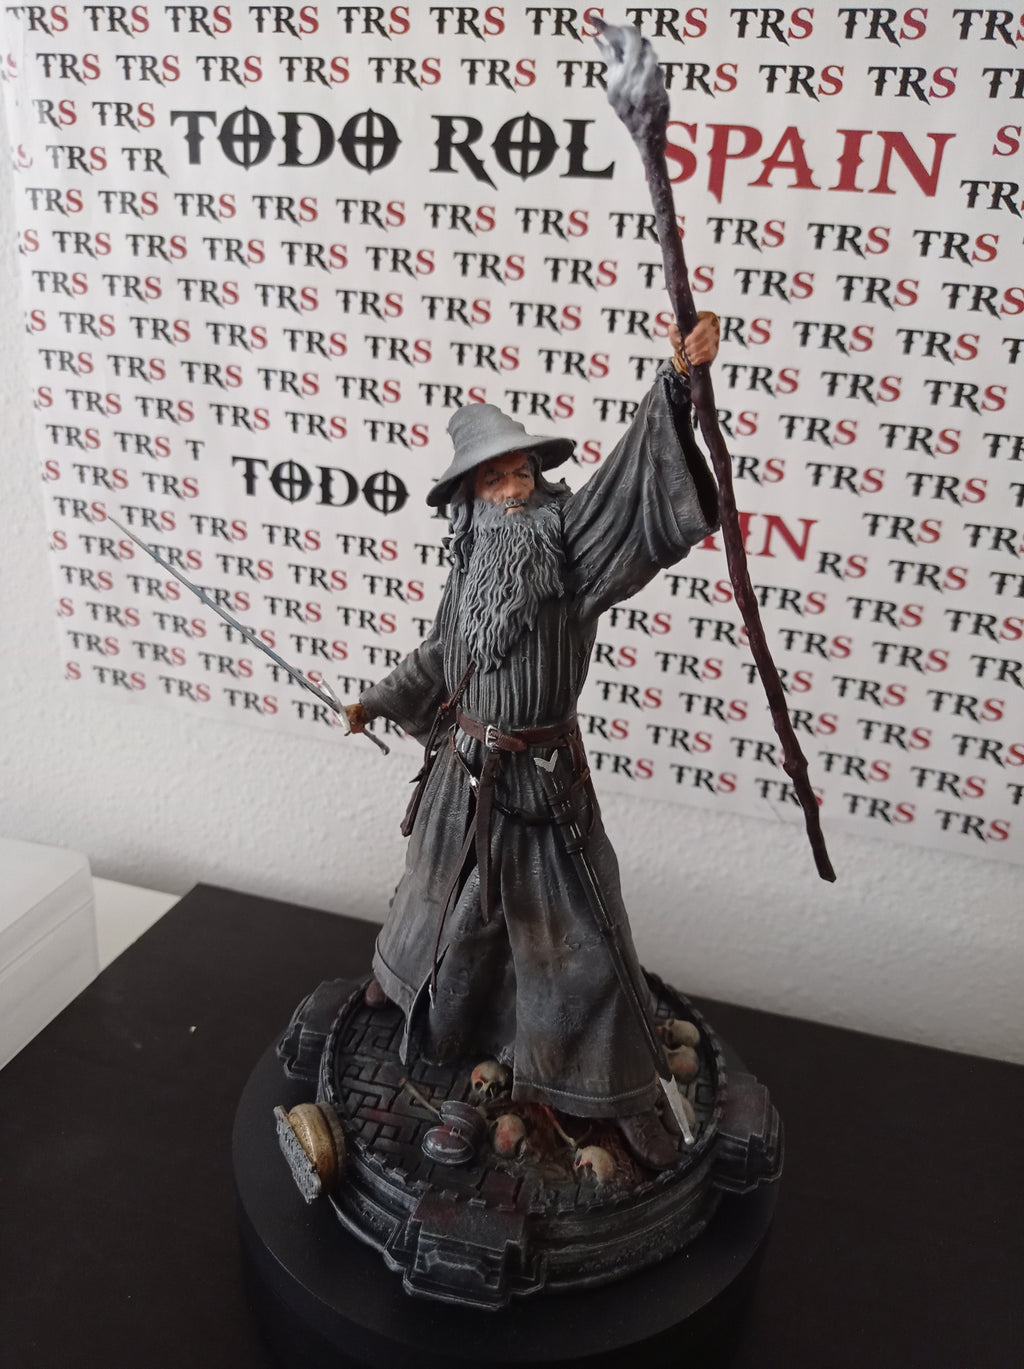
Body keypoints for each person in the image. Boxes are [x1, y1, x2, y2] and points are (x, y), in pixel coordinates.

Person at [345, 316, 721, 1169]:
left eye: (521, 470)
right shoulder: (470, 564)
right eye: (494, 476)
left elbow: (629, 483)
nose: (513, 487)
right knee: (442, 909)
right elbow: (441, 654)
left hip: (545, 783)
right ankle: (425, 1012)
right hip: (464, 775)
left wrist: (674, 384)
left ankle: (597, 1088)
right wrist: (377, 699)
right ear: (470, 497)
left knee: (581, 941)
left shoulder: (570, 544)